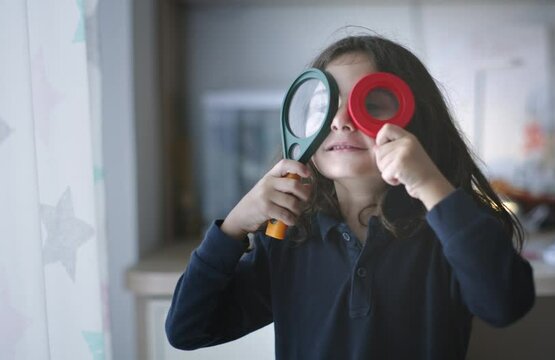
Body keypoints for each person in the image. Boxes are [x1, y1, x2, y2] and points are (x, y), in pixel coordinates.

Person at [165, 35, 535, 359]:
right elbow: (187, 330)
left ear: (414, 120)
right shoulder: (288, 237)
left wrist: (430, 185)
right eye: (323, 106)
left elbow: (505, 305)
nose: (339, 120)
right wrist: (231, 230)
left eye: (369, 105)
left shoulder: (450, 229)